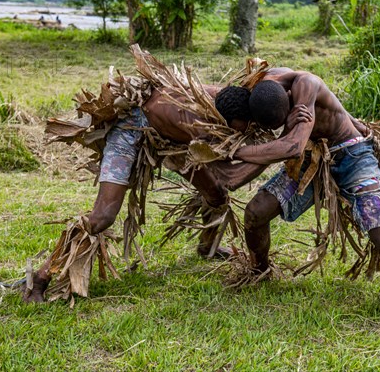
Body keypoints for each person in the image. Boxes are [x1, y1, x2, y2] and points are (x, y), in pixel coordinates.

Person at [24, 82, 308, 303]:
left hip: (169, 134)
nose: (245, 130)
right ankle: (40, 278)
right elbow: (228, 177)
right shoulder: (200, 126)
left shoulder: (229, 100)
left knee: (216, 196)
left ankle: (207, 247)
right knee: (103, 216)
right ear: (227, 119)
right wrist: (281, 150)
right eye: (241, 128)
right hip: (133, 129)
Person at [230, 68, 380, 317]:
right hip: (313, 156)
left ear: (289, 97)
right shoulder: (262, 84)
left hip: (352, 156)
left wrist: (236, 152)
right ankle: (259, 272)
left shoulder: (306, 84)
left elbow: (292, 145)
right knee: (256, 211)